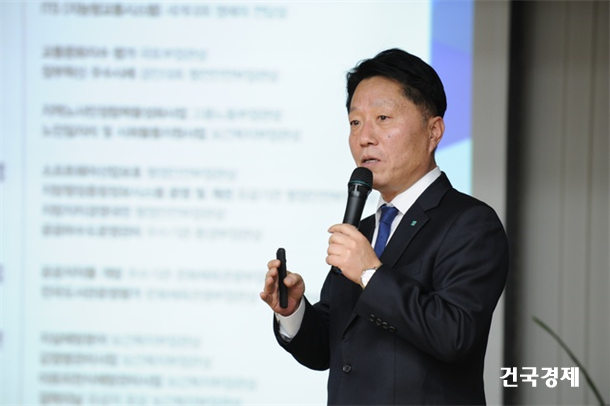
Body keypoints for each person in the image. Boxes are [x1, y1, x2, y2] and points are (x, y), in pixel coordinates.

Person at [260, 48, 509, 405]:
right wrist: (294, 311)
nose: (365, 137)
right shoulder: (363, 229)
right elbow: (330, 350)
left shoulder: (471, 223)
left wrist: (370, 273)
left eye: (383, 118)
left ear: (434, 131)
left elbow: (454, 335)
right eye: (355, 122)